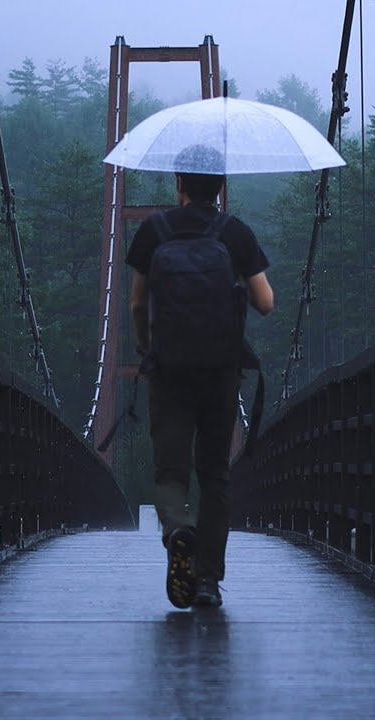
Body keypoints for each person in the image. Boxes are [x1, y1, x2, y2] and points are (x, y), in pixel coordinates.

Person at [126, 148, 274, 609]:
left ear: (179, 185)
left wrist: (148, 350)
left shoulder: (154, 231)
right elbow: (266, 303)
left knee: (171, 471)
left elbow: (135, 304)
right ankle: (208, 580)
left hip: (169, 371)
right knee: (214, 475)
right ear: (221, 187)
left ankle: (177, 530)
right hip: (219, 373)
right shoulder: (235, 233)